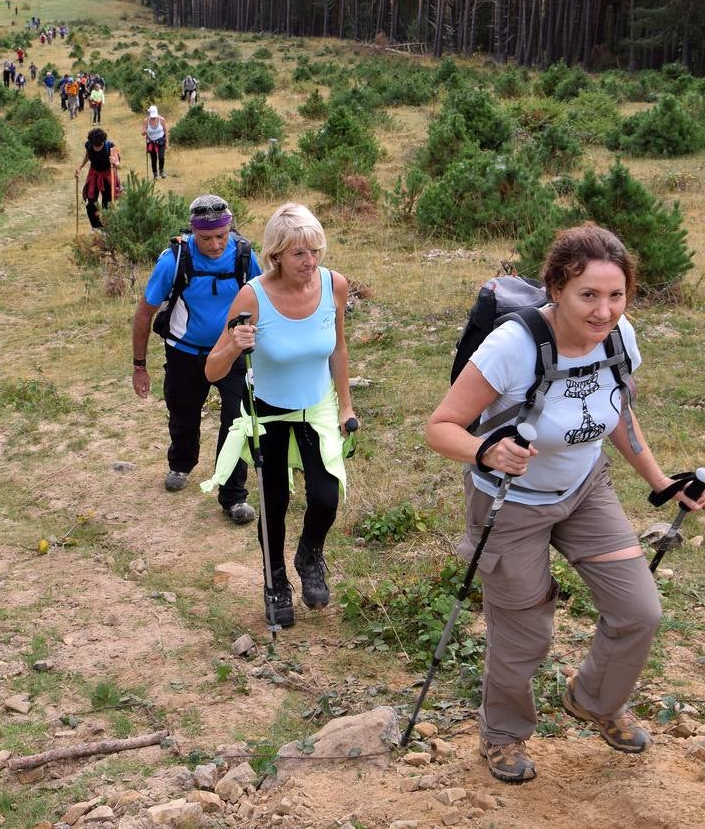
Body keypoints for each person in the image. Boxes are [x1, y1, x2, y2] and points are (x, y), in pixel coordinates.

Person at [425, 224, 705, 784]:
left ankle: (594, 700)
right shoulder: (513, 346)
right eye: (589, 295)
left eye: (616, 294)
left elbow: (618, 415)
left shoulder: (621, 338)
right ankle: (503, 735)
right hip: (509, 503)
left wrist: (659, 481)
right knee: (525, 632)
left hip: (584, 490)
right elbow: (440, 427)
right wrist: (486, 451)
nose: (604, 311)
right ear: (557, 288)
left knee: (639, 611)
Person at [204, 202, 358, 628]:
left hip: (318, 408)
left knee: (326, 497)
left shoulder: (334, 286)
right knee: (273, 503)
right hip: (268, 412)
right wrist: (235, 344)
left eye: (315, 251)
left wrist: (346, 404)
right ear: (275, 255)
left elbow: (339, 349)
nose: (310, 263)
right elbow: (212, 369)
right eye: (298, 254)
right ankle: (275, 583)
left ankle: (310, 554)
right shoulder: (253, 295)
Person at [131, 194, 261, 525]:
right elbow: (145, 312)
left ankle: (233, 497)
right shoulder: (173, 261)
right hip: (184, 354)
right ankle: (181, 462)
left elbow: (265, 301)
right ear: (192, 232)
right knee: (183, 413)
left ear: (230, 227)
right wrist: (139, 366)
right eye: (206, 238)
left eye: (222, 235)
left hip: (231, 353)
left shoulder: (245, 256)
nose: (216, 245)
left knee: (237, 422)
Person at [75, 128, 120, 230]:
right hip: (94, 175)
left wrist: (114, 162)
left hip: (107, 175)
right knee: (91, 203)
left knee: (107, 204)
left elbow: (119, 165)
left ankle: (107, 228)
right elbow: (87, 156)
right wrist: (80, 168)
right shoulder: (89, 145)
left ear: (103, 142)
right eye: (95, 145)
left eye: (99, 145)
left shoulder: (110, 147)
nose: (97, 147)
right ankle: (96, 227)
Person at [142, 105, 168, 179]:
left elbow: (166, 131)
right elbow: (142, 132)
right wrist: (144, 131)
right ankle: (155, 174)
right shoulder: (146, 121)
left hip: (161, 141)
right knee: (153, 159)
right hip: (151, 142)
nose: (153, 117)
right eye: (152, 116)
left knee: (161, 157)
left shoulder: (162, 119)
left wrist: (166, 143)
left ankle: (161, 170)